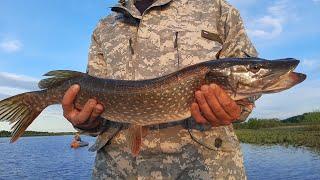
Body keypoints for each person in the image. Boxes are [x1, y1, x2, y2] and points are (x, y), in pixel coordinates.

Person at [62, 0, 258, 179]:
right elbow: (92, 99)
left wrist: (236, 108)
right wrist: (86, 123)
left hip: (203, 171)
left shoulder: (218, 9)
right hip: (115, 171)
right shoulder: (104, 27)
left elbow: (249, 87)